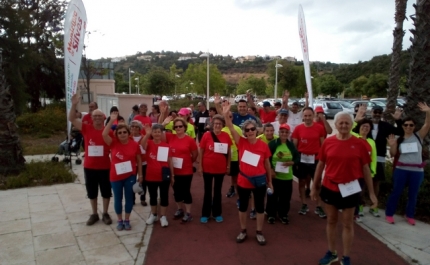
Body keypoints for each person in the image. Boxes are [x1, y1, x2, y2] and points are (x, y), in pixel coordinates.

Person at [311, 111, 377, 265]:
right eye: (340, 123)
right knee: (331, 221)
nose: (344, 125)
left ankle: (346, 256)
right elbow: (320, 165)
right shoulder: (328, 142)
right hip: (330, 187)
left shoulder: (360, 143)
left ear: (352, 125)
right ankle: (332, 252)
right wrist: (315, 187)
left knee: (348, 223)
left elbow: (366, 169)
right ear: (335, 125)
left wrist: (372, 193)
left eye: (347, 122)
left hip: (351, 189)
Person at [222, 101, 273, 246]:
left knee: (259, 207)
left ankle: (259, 231)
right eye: (247, 130)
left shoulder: (263, 145)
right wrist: (226, 114)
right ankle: (243, 230)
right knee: (243, 207)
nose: (250, 132)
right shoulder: (241, 142)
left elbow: (267, 164)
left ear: (257, 131)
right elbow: (231, 127)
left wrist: (270, 181)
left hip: (260, 180)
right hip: (244, 180)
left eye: (252, 129)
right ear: (244, 132)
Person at [69, 94, 112, 226]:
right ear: (91, 118)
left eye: (100, 116)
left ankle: (105, 213)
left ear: (104, 118)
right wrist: (74, 104)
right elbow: (71, 118)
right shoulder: (86, 128)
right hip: (90, 166)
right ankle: (94, 214)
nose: (98, 118)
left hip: (105, 167)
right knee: (92, 192)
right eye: (95, 116)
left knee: (106, 192)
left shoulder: (108, 131)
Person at [385, 102, 430, 225]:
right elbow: (392, 154)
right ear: (403, 126)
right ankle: (389, 214)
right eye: (406, 125)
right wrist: (393, 145)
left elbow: (427, 124)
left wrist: (428, 112)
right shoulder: (399, 139)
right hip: (401, 170)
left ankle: (409, 215)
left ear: (414, 126)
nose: (408, 127)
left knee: (413, 195)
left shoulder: (418, 136)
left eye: (411, 125)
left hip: (417, 172)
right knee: (396, 192)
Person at [355, 104, 403, 217]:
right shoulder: (364, 124)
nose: (377, 114)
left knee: (376, 183)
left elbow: (400, 132)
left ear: (382, 114)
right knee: (362, 184)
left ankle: (373, 205)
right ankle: (360, 205)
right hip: (363, 159)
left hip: (379, 158)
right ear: (371, 112)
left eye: (379, 112)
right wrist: (357, 117)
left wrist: (398, 120)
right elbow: (352, 131)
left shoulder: (386, 126)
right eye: (375, 112)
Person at [103, 112, 142, 231]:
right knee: (118, 198)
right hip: (115, 176)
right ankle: (120, 220)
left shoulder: (134, 144)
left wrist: (140, 174)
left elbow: (139, 160)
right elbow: (104, 134)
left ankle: (127, 219)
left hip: (130, 176)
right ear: (116, 134)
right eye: (119, 133)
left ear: (129, 133)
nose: (122, 134)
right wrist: (111, 121)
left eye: (125, 132)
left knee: (129, 198)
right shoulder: (113, 143)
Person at [291, 107, 326, 218]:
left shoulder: (319, 128)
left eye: (309, 115)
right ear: (303, 116)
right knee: (301, 182)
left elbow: (323, 145)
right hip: (302, 159)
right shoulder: (298, 129)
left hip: (315, 159)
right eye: (305, 116)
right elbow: (295, 147)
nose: (307, 118)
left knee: (317, 183)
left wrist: (322, 160)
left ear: (313, 115)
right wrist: (295, 160)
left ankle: (319, 206)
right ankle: (304, 204)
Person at [198, 114, 232, 223]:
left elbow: (229, 152)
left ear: (223, 125)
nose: (217, 125)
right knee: (207, 191)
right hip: (207, 167)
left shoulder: (226, 136)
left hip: (220, 168)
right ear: (212, 125)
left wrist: (228, 165)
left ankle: (217, 213)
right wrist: (200, 166)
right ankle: (205, 213)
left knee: (217, 191)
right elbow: (202, 151)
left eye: (219, 124)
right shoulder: (206, 135)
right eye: (215, 123)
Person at [141, 124, 174, 227]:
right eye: (154, 132)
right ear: (152, 133)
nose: (157, 134)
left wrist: (172, 175)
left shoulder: (166, 145)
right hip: (151, 175)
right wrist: (147, 135)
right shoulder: (149, 143)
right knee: (153, 196)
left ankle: (163, 216)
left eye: (159, 132)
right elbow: (142, 145)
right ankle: (154, 215)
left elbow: (170, 161)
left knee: (164, 196)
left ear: (162, 133)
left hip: (164, 175)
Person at [165, 118, 198, 223]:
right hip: (173, 171)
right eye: (176, 127)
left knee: (186, 191)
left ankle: (188, 213)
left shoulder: (189, 140)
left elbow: (194, 154)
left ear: (185, 127)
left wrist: (188, 161)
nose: (178, 128)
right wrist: (163, 123)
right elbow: (156, 133)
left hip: (186, 170)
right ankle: (180, 209)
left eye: (180, 126)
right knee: (176, 191)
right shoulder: (170, 137)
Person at [266, 124, 299, 224]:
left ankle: (283, 214)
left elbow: (297, 157)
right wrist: (271, 169)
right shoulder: (273, 144)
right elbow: (267, 158)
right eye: (282, 132)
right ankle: (271, 214)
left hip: (287, 176)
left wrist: (292, 162)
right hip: (274, 176)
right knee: (272, 196)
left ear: (289, 134)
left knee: (285, 197)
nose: (284, 134)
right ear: (279, 133)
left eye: (286, 132)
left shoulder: (291, 145)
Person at [351, 119, 377, 221]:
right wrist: (357, 119)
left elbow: (373, 158)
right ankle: (347, 209)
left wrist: (372, 171)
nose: (365, 128)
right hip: (352, 171)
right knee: (350, 192)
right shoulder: (354, 137)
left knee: (358, 193)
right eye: (363, 126)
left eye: (367, 127)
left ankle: (355, 212)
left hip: (363, 173)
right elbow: (348, 128)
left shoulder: (371, 142)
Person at [130, 120, 148, 206]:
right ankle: (132, 199)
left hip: (143, 162)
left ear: (140, 128)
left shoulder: (144, 137)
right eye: (132, 126)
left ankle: (143, 198)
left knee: (143, 181)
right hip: (131, 163)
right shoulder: (128, 138)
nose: (134, 128)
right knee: (132, 181)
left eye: (136, 126)